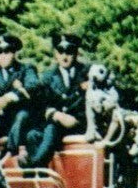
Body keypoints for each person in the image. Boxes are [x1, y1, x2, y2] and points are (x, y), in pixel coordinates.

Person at [23, 33, 90, 167]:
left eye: (69, 51)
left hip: (80, 124)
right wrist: (54, 114)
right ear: (55, 53)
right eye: (61, 51)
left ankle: (32, 167)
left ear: (76, 53)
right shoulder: (48, 76)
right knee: (32, 135)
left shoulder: (86, 72)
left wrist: (73, 119)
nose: (64, 56)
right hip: (57, 123)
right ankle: (41, 180)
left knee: (51, 129)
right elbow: (40, 104)